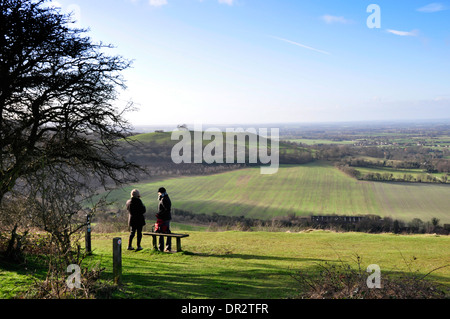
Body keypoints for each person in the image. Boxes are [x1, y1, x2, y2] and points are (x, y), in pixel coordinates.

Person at [155, 187, 172, 252]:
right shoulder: (166, 198)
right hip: (166, 218)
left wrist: (159, 214)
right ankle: (167, 247)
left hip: (164, 218)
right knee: (166, 231)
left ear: (160, 193)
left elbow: (166, 209)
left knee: (162, 232)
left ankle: (162, 247)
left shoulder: (164, 199)